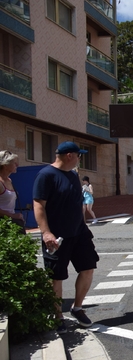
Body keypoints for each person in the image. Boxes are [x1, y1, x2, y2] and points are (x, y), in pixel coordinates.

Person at [33, 142, 99, 334]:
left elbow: (77, 202)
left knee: (88, 268)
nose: (80, 158)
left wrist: (83, 224)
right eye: (79, 155)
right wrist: (46, 233)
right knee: (56, 277)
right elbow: (38, 205)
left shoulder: (73, 175)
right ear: (70, 155)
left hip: (79, 233)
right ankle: (58, 316)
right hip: (56, 236)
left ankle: (77, 308)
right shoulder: (46, 176)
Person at [0, 150, 25, 233]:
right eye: (14, 163)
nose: (17, 165)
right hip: (3, 224)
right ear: (5, 165)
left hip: (11, 223)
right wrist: (13, 216)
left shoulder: (9, 180)